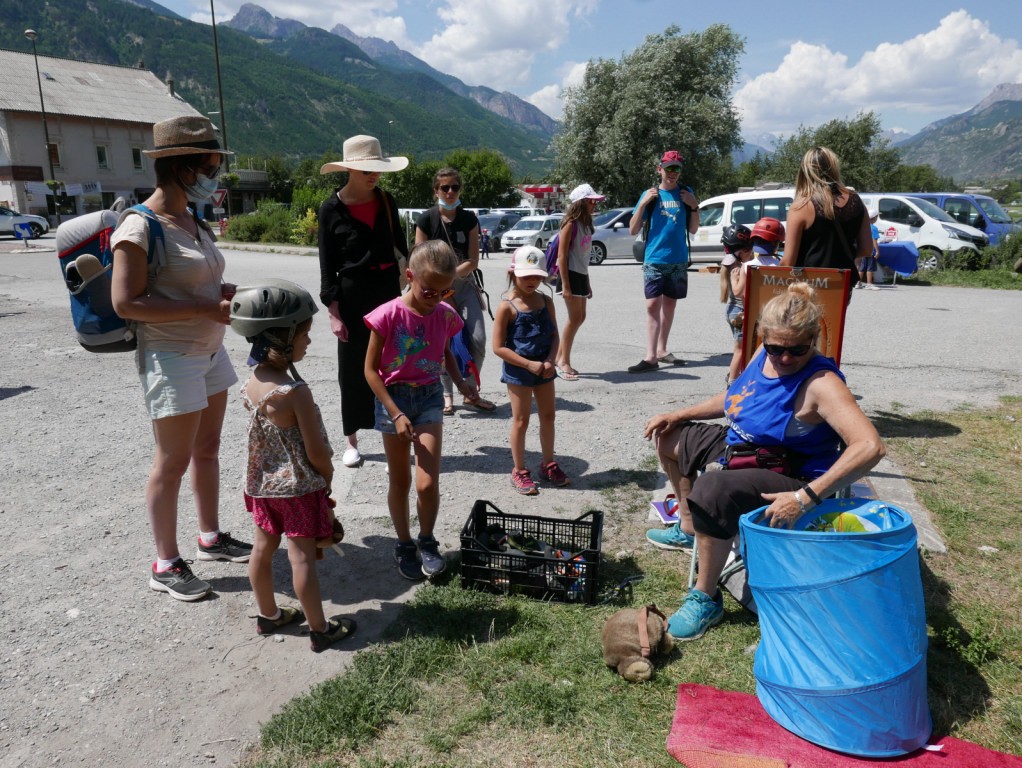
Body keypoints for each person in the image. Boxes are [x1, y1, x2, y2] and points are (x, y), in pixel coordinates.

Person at [643, 282, 885, 641]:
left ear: (814, 340)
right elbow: (734, 398)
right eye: (775, 348)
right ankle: (690, 526)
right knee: (668, 437)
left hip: (790, 474)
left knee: (712, 487)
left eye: (796, 350)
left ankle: (705, 596)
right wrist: (679, 414)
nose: (784, 358)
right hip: (743, 450)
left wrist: (805, 497)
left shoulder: (821, 382)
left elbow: (869, 446)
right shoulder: (764, 354)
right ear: (763, 336)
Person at [111, 114, 251, 602]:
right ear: (184, 168)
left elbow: (193, 280)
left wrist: (221, 290)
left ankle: (210, 536)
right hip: (171, 357)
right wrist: (202, 306)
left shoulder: (192, 219)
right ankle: (165, 563)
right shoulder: (139, 224)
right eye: (211, 166)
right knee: (171, 462)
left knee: (208, 448)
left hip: (209, 350)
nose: (216, 175)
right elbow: (126, 302)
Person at [228, 280, 356, 652]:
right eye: (303, 335)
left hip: (262, 487)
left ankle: (268, 615)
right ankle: (320, 629)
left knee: (262, 549)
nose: (308, 342)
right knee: (301, 559)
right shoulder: (295, 392)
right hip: (298, 488)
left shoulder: (253, 382)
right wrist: (327, 476)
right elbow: (317, 450)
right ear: (280, 339)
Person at [364, 240, 480, 580]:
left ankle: (427, 541)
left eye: (444, 292)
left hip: (429, 396)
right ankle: (403, 544)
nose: (437, 298)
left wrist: (460, 384)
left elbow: (445, 354)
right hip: (393, 399)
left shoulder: (445, 314)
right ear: (410, 276)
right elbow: (370, 371)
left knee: (427, 484)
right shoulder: (387, 315)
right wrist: (395, 413)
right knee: (400, 481)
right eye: (430, 290)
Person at [318, 135, 409, 470]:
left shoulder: (387, 200)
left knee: (393, 365)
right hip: (353, 294)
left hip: (388, 290)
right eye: (367, 169)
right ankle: (351, 440)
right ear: (349, 170)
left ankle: (393, 434)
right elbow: (327, 266)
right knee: (353, 369)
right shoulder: (331, 209)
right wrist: (334, 311)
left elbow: (401, 246)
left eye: (377, 169)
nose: (374, 175)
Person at [415, 168, 497, 415]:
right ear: (436, 191)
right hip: (435, 289)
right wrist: (439, 285)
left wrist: (450, 278)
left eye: (455, 187)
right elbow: (419, 259)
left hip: (464, 284)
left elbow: (473, 260)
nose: (450, 192)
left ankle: (470, 392)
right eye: (444, 188)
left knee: (478, 338)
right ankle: (446, 395)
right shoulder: (426, 219)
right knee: (441, 342)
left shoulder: (469, 219)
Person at [493, 246, 566, 495]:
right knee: (521, 420)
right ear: (513, 274)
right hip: (519, 371)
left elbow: (555, 334)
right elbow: (498, 347)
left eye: (536, 276)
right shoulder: (507, 307)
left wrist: (550, 360)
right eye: (526, 276)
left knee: (548, 416)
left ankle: (548, 464)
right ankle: (519, 470)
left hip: (544, 369)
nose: (532, 281)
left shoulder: (546, 301)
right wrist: (527, 364)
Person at [627, 150, 701, 373]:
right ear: (660, 169)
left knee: (670, 305)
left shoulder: (686, 193)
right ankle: (650, 357)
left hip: (678, 259)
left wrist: (694, 205)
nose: (672, 172)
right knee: (652, 305)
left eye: (676, 168)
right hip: (654, 258)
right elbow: (632, 229)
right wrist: (642, 204)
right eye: (669, 167)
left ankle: (662, 350)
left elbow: (694, 228)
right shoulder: (650, 194)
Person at [781, 146, 872, 294]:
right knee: (834, 318)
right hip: (842, 282)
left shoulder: (802, 206)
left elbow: (788, 262)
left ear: (805, 170)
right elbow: (867, 249)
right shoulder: (856, 200)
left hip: (808, 285)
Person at [554, 183, 603, 381]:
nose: (594, 204)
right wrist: (565, 286)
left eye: (595, 201)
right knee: (574, 318)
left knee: (580, 317)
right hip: (570, 276)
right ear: (581, 203)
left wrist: (588, 282)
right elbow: (562, 256)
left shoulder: (586, 225)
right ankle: (563, 361)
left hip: (581, 276)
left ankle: (558, 357)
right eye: (591, 201)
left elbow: (584, 258)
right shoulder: (570, 224)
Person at [719, 224, 754, 387]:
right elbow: (744, 294)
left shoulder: (730, 262)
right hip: (740, 312)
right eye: (750, 250)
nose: (752, 253)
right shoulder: (739, 268)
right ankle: (732, 384)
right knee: (740, 350)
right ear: (742, 251)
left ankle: (735, 375)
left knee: (741, 348)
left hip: (732, 310)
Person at [856, 206, 881, 290]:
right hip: (871, 250)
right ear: (874, 218)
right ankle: (869, 284)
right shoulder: (874, 228)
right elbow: (874, 240)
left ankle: (858, 283)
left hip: (863, 249)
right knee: (870, 267)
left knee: (862, 267)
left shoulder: (863, 226)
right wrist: (877, 251)